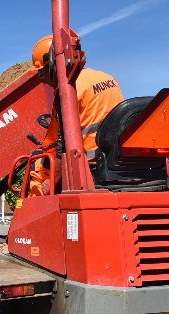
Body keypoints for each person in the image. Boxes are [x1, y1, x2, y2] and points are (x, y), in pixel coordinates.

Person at [28, 35, 124, 195]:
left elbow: (63, 148)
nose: (42, 79)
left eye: (42, 72)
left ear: (53, 64)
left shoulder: (68, 91)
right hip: (117, 162)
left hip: (89, 170)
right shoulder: (108, 79)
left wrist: (50, 182)